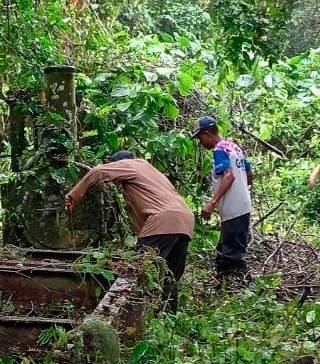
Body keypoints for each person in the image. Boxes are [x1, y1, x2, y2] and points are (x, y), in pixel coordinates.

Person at [64, 151, 195, 311]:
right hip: (185, 220)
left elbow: (99, 171)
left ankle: (133, 316)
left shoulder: (129, 165)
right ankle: (167, 316)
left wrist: (74, 195)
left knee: (139, 272)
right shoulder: (151, 171)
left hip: (163, 220)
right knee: (170, 276)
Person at [191, 116, 253, 280]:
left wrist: (212, 202)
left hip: (234, 208)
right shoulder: (234, 147)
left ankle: (239, 289)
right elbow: (249, 173)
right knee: (228, 249)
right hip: (243, 205)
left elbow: (229, 176)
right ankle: (225, 286)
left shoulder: (219, 149)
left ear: (207, 133)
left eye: (200, 137)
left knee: (232, 254)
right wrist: (241, 192)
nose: (200, 142)